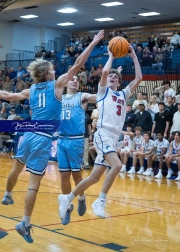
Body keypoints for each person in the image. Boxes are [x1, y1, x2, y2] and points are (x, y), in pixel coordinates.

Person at [0, 29, 104, 243]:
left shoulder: (33, 88)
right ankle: (25, 223)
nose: (55, 70)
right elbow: (78, 64)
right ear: (47, 73)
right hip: (41, 138)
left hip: (28, 133)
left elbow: (8, 95)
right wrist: (93, 43)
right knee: (33, 184)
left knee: (17, 167)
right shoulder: (56, 86)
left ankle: (8, 196)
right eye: (52, 68)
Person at [58, 44, 142, 221]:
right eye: (110, 76)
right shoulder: (103, 92)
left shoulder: (124, 94)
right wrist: (111, 56)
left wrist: (134, 57)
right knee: (117, 166)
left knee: (94, 177)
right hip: (102, 134)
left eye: (114, 77)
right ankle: (100, 200)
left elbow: (139, 78)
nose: (111, 77)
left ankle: (68, 198)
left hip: (113, 139)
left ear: (119, 82)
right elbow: (104, 73)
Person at [57, 31, 104, 225]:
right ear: (66, 82)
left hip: (76, 141)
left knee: (77, 176)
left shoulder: (82, 97)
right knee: (63, 177)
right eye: (72, 79)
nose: (75, 80)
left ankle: (82, 198)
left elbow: (100, 95)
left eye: (77, 79)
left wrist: (106, 80)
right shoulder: (59, 96)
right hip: (61, 140)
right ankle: (67, 206)